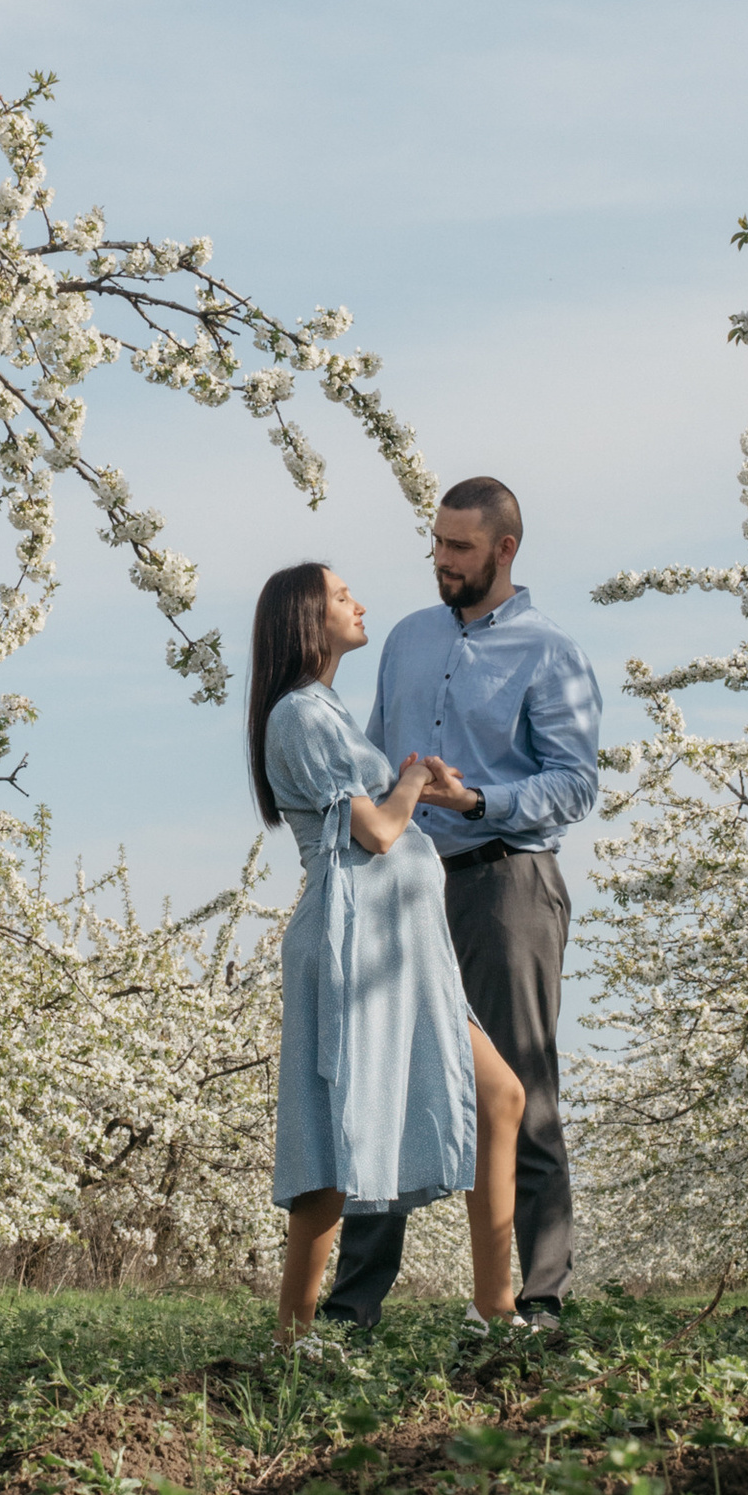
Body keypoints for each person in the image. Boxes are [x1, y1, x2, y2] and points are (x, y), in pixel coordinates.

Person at [322, 477, 600, 1335]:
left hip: (504, 883)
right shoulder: (406, 639)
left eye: (460, 548)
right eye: (437, 545)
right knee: (385, 1082)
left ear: (504, 549)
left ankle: (539, 1303)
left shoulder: (551, 653)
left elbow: (576, 783)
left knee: (521, 1087)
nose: (442, 560)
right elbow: (373, 755)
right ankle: (353, 1308)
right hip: (406, 890)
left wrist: (476, 800)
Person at [249, 558, 525, 1350]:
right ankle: (292, 1342)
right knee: (337, 1145)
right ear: (307, 618)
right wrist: (406, 786)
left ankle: (494, 1311)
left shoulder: (327, 710)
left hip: (403, 947)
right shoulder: (298, 713)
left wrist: (412, 784)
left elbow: (374, 814)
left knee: (500, 1096)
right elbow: (373, 832)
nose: (359, 603)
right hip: (352, 942)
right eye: (342, 596)